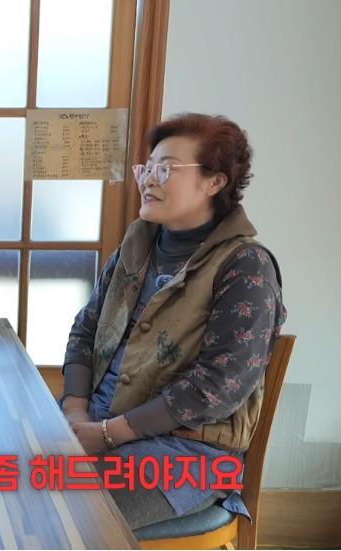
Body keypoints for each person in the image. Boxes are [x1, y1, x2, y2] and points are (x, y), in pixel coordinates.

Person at [59, 113, 287, 529]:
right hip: (95, 422)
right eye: (146, 168)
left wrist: (109, 434)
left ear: (214, 182)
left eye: (166, 169)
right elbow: (86, 330)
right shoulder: (137, 244)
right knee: (1, 478)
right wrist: (75, 412)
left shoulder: (245, 266)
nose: (149, 180)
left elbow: (218, 387)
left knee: (58, 509)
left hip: (187, 452)